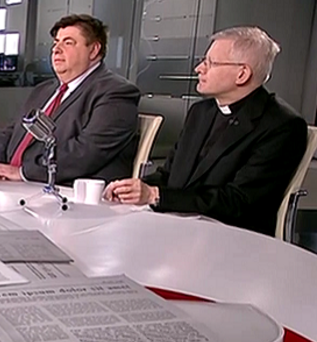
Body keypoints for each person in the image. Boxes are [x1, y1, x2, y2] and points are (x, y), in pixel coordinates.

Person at [104, 26, 307, 236]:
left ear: (242, 74)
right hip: (178, 226)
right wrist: (133, 188)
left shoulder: (282, 125)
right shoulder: (200, 112)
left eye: (211, 63)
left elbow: (239, 201)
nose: (199, 68)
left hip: (230, 237)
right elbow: (169, 175)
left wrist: (155, 195)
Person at [0, 14, 140, 185]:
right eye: (56, 43)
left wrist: (23, 173)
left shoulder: (116, 93)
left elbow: (85, 153)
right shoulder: (42, 90)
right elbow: (9, 132)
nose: (56, 50)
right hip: (11, 185)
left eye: (68, 43)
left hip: (63, 191)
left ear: (94, 50)